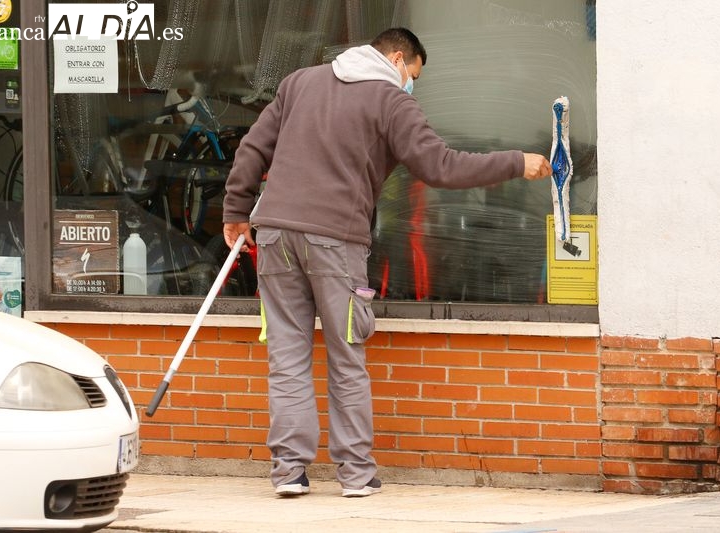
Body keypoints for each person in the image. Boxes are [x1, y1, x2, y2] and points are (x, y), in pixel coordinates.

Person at [222, 27, 552, 498]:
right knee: (346, 357)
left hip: (275, 235)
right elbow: (440, 167)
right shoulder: (391, 102)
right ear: (398, 58)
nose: (410, 84)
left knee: (288, 359)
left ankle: (289, 474)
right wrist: (516, 162)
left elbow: (252, 147)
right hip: (336, 241)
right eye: (413, 75)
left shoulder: (300, 82)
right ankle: (355, 475)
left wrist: (236, 211)